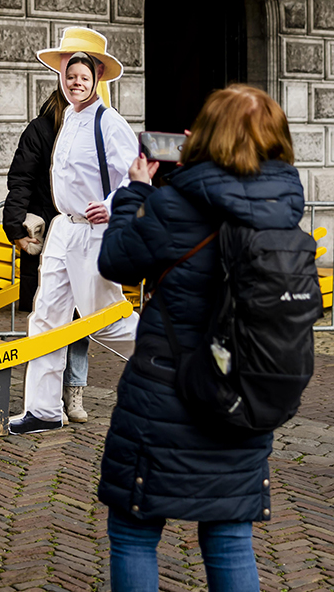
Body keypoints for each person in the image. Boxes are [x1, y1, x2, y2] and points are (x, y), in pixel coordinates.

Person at [97, 84, 296, 590]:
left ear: (203, 136)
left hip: (165, 397)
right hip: (240, 398)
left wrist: (136, 192)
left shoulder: (173, 207)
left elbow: (116, 260)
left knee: (134, 531)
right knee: (230, 536)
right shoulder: (284, 218)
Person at [8, 27, 139, 435]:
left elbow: (137, 177)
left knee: (104, 319)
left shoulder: (110, 123)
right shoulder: (68, 119)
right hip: (64, 230)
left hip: (92, 234)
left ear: (97, 78)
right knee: (46, 318)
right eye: (69, 76)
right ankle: (43, 410)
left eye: (82, 77)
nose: (75, 82)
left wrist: (114, 205)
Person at [2, 86, 91, 423]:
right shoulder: (40, 129)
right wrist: (15, 229)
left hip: (85, 237)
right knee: (51, 320)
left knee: (82, 320)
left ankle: (74, 392)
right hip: (49, 236)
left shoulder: (96, 129)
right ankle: (48, 399)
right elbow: (20, 180)